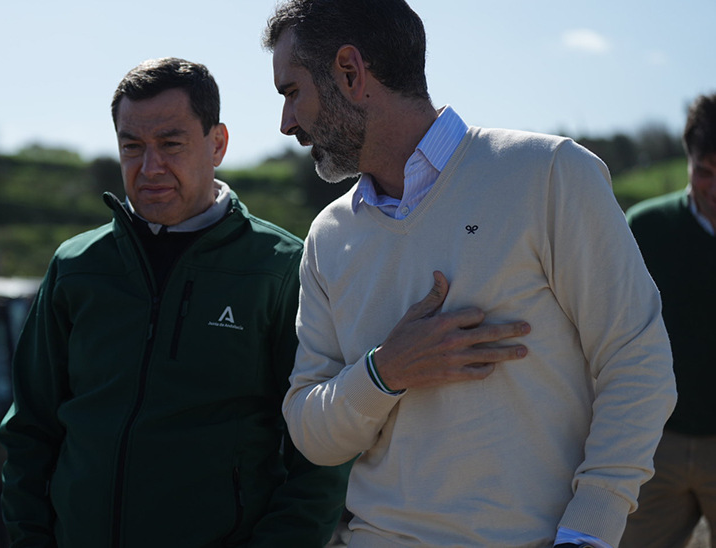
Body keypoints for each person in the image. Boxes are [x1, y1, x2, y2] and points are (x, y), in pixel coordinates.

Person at [262, 1, 677, 547]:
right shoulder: (328, 236)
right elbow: (311, 434)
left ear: (349, 71)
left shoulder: (552, 174)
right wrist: (386, 371)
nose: (286, 122)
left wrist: (590, 531)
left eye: (291, 92)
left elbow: (638, 361)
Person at [0, 57, 350, 548]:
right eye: (132, 147)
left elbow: (319, 451)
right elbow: (30, 432)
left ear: (218, 144)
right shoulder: (76, 267)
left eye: (170, 144)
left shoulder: (280, 269)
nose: (150, 167)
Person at [620, 92, 716, 548]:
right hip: (655, 444)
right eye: (705, 173)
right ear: (689, 163)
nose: (715, 189)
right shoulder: (645, 228)